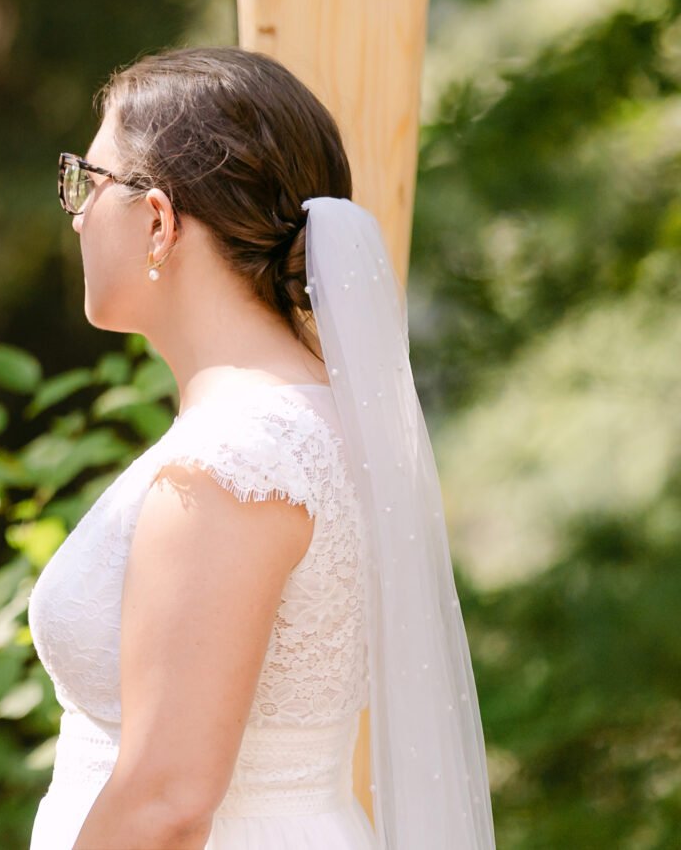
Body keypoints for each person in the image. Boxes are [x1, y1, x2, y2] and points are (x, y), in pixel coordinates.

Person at [28, 48, 494, 849]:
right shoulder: (327, 421)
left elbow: (167, 799)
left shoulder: (231, 462)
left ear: (158, 220)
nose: (77, 213)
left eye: (91, 181)